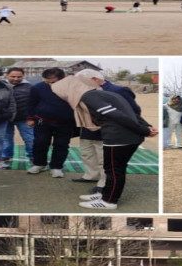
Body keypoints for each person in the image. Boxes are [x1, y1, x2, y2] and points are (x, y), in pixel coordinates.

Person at [51, 75, 157, 209]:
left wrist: (144, 130)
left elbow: (117, 115)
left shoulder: (89, 97)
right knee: (112, 169)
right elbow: (132, 113)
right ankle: (105, 193)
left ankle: (109, 201)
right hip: (125, 137)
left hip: (118, 138)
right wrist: (147, 126)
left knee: (113, 170)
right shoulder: (104, 94)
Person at [26, 68, 74, 178]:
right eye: (47, 81)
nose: (50, 84)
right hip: (42, 121)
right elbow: (31, 103)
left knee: (61, 145)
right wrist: (30, 118)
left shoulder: (71, 88)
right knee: (40, 143)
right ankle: (39, 164)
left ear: (63, 79)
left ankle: (56, 167)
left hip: (65, 122)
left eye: (53, 82)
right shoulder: (38, 87)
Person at [2, 67, 34, 166]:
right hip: (5, 118)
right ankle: (6, 157)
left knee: (30, 139)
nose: (16, 79)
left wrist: (32, 117)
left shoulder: (30, 87)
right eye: (13, 76)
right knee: (6, 139)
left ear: (23, 76)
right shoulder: (0, 86)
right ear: (6, 75)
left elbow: (34, 103)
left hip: (24, 118)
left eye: (19, 77)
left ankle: (33, 157)